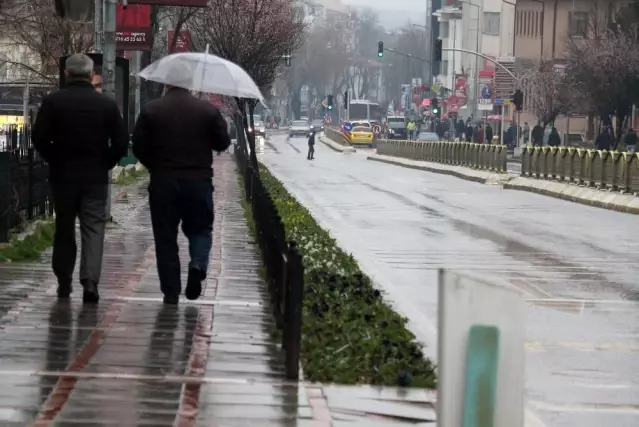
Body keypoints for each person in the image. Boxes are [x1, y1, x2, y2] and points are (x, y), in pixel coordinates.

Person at [32, 53, 128, 303]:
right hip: (95, 177)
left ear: (67, 74)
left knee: (64, 226)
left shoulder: (54, 102)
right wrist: (105, 162)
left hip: (63, 176)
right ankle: (90, 282)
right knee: (94, 227)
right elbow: (120, 141)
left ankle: (64, 279)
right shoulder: (106, 105)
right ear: (90, 75)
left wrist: (55, 157)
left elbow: (39, 137)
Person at [132, 83, 231, 305]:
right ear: (189, 85)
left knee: (165, 237)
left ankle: (170, 291)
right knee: (201, 230)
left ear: (167, 84)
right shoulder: (206, 111)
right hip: (198, 182)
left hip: (163, 181)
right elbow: (223, 142)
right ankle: (197, 263)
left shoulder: (151, 109)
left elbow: (138, 146)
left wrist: (154, 166)